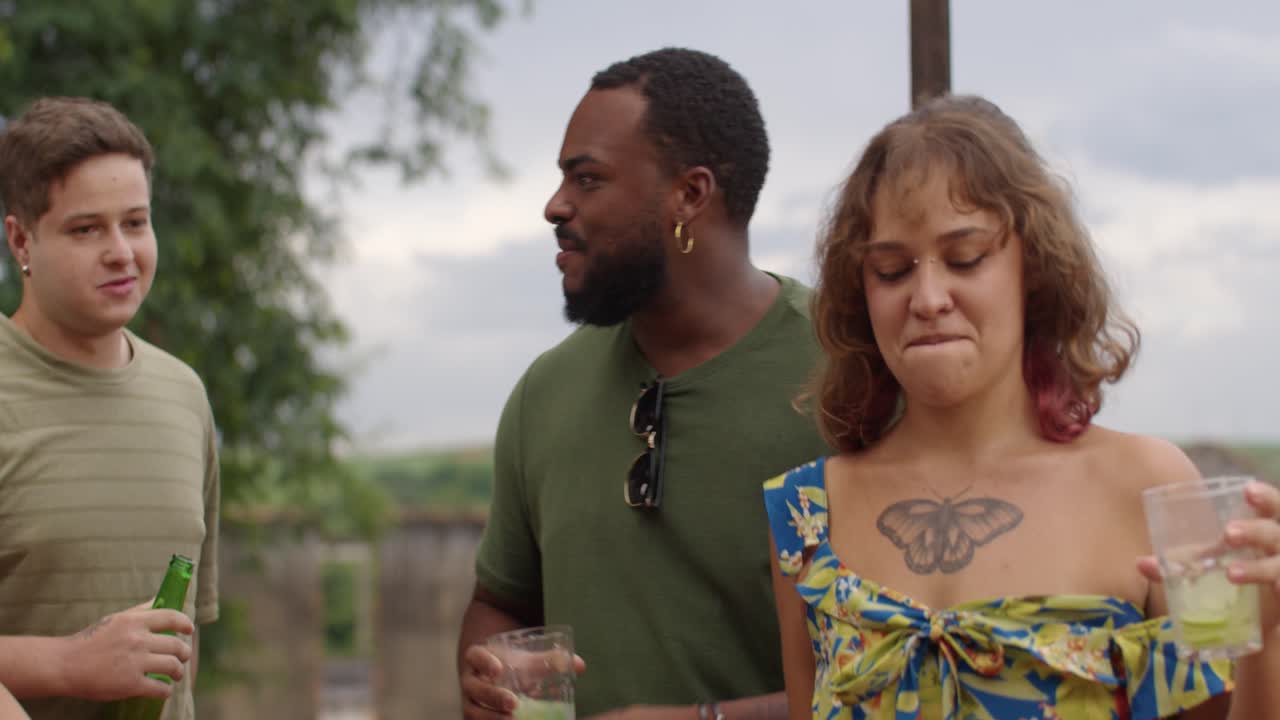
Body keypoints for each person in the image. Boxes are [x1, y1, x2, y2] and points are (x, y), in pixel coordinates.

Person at [764, 94, 1280, 719]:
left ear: (1032, 268)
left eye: (965, 259)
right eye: (893, 270)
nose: (928, 298)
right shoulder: (806, 515)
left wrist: (1268, 638)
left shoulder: (1148, 486)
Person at [456, 47, 830, 719]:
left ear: (690, 195)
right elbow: (501, 603)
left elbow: (904, 675)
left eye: (588, 179)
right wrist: (489, 676)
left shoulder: (850, 375)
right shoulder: (545, 392)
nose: (555, 206)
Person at [0, 97, 220, 719]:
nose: (121, 251)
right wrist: (70, 663)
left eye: (136, 222)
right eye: (86, 229)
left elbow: (184, 649)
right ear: (20, 239)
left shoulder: (185, 396)